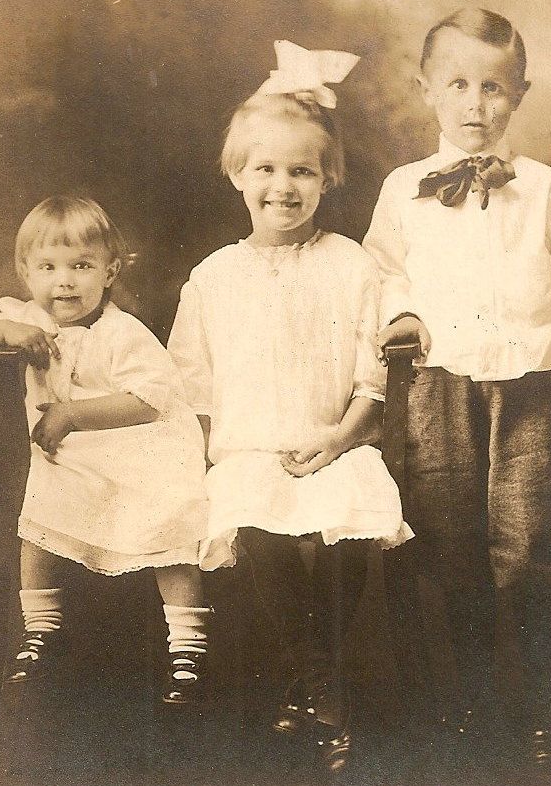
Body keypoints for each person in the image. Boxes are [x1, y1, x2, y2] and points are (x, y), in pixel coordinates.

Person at [363, 8, 551, 766]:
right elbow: (378, 274)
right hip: (437, 388)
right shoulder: (404, 188)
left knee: (526, 543)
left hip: (529, 387)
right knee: (446, 544)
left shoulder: (543, 189)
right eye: (458, 85)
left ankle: (532, 703)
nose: (475, 104)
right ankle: (468, 702)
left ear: (518, 95)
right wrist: (401, 314)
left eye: (493, 88)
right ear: (426, 92)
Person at [167, 41, 413, 772]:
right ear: (237, 174)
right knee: (259, 527)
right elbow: (194, 389)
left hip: (334, 443)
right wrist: (196, 467)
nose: (283, 186)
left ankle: (311, 686)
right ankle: (315, 683)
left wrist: (338, 441)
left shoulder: (352, 266)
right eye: (265, 169)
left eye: (301, 170)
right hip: (249, 453)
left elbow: (374, 382)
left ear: (327, 177)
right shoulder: (212, 278)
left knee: (352, 529)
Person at [0, 196, 214, 705]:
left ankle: (188, 646)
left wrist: (70, 415)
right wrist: (5, 330)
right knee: (40, 513)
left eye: (81, 266)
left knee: (170, 522)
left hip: (141, 444)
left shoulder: (122, 332)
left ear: (109, 272)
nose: (63, 281)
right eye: (47, 267)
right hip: (73, 452)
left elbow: (151, 401)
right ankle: (42, 628)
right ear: (25, 272)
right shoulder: (27, 318)